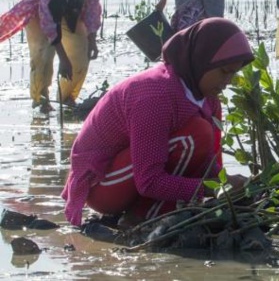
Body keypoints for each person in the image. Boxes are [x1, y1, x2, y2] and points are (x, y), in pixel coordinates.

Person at [61, 18, 254, 227]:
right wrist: (213, 188)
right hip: (101, 185)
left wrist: (231, 183)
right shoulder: (156, 95)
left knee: (201, 135)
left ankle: (154, 210)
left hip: (132, 173)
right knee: (197, 134)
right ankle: (143, 216)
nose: (228, 82)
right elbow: (149, 181)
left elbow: (207, 163)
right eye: (224, 72)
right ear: (202, 60)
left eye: (234, 73)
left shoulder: (209, 98)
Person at [0, 0, 101, 113]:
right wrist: (62, 57)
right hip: (38, 4)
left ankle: (67, 97)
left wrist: (92, 40)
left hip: (69, 8)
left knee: (81, 51)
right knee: (43, 52)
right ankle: (41, 99)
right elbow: (47, 16)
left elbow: (92, 7)